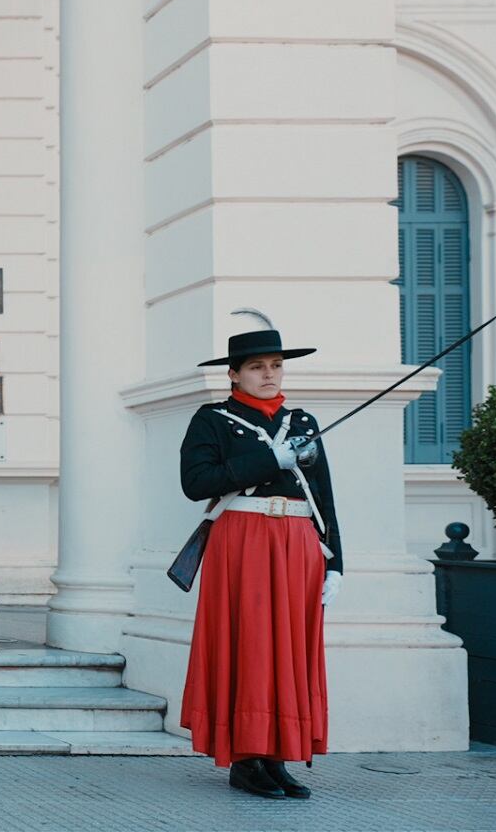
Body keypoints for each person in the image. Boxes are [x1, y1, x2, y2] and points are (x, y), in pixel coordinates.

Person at [178, 311, 342, 800]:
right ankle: (246, 758)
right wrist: (271, 459)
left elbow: (325, 497)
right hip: (243, 541)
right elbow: (196, 484)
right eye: (256, 366)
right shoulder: (212, 420)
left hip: (297, 546)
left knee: (288, 649)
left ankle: (277, 756)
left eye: (275, 365)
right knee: (250, 646)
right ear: (233, 373)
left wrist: (336, 562)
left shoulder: (302, 422)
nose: (268, 374)